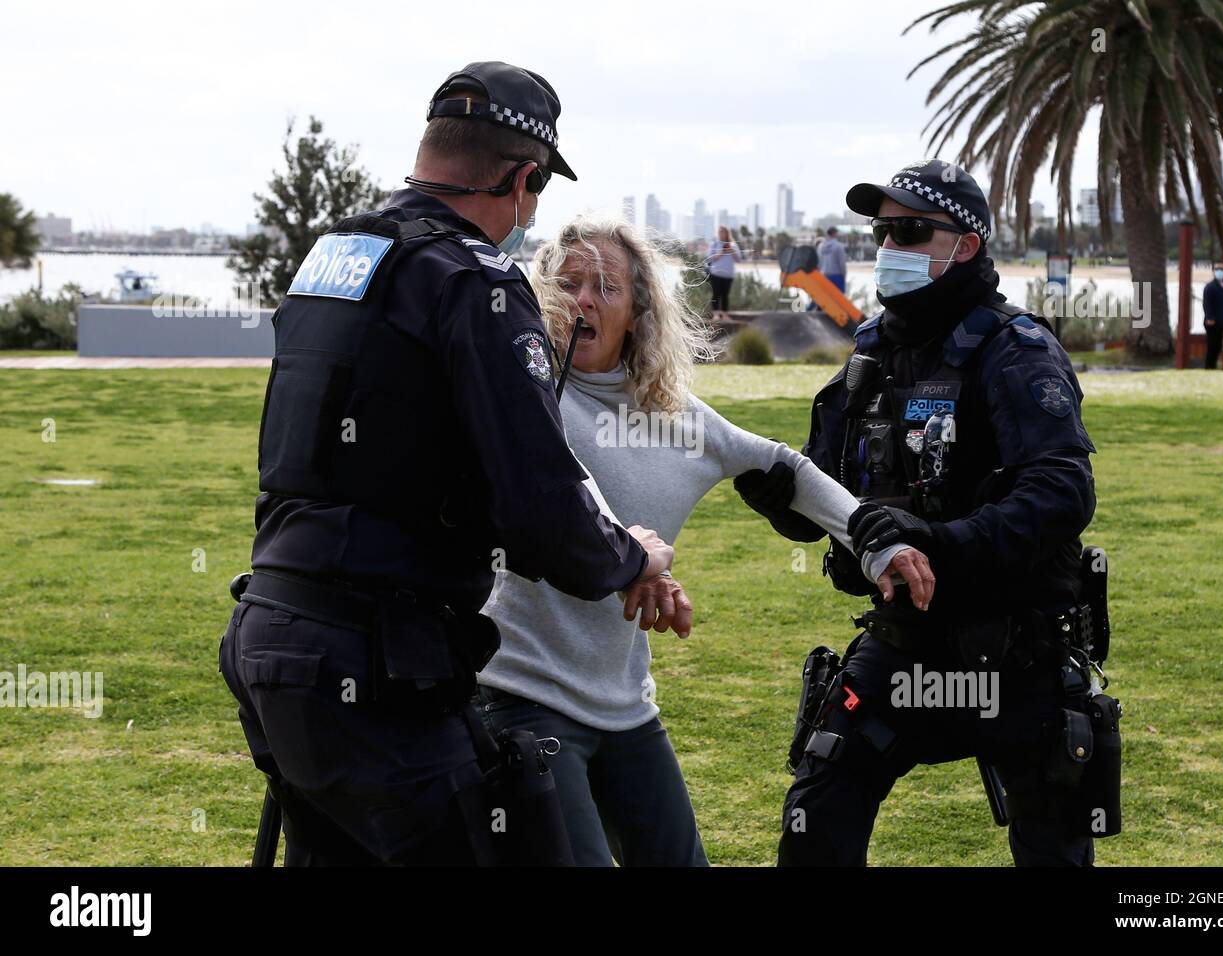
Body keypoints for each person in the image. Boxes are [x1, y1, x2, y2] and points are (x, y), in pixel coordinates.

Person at [218, 62, 681, 866]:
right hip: (379, 665)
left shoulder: (334, 257)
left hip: (274, 640)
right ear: (521, 176)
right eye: (535, 194)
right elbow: (539, 501)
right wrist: (631, 554)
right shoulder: (480, 284)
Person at [474, 215, 879, 866]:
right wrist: (637, 562)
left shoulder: (676, 415)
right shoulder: (522, 396)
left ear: (636, 311)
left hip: (625, 704)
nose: (582, 299)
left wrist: (878, 543)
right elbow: (565, 480)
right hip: (520, 696)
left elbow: (784, 467)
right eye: (567, 283)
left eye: (605, 286)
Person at [735, 160, 1107, 867]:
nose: (888, 247)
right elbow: (825, 492)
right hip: (903, 646)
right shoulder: (874, 354)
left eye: (908, 231)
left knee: (1054, 843)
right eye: (882, 231)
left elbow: (1063, 492)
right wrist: (776, 500)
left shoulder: (1015, 351)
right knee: (817, 814)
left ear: (964, 245)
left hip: (1015, 653)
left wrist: (937, 540)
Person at [705, 225, 743, 317]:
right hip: (716, 274)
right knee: (716, 294)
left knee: (725, 295)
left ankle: (725, 315)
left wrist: (732, 251)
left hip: (728, 275)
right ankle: (716, 315)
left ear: (727, 233)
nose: (721, 234)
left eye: (723, 232)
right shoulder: (714, 244)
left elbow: (739, 260)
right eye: (720, 232)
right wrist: (721, 252)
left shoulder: (733, 245)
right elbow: (709, 259)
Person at [1202, 261, 1223, 369]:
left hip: (1222, 321)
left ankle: (1213, 365)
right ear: (1213, 271)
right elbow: (1207, 304)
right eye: (1217, 269)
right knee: (1212, 346)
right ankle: (1209, 366)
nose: (1220, 271)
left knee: (1218, 345)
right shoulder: (1210, 287)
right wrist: (1209, 317)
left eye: (1222, 269)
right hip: (1212, 322)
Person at [818, 226, 848, 293]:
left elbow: (819, 262)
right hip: (837, 276)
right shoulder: (838, 246)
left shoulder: (821, 246)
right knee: (839, 300)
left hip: (824, 275)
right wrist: (844, 275)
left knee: (825, 298)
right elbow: (842, 263)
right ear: (835, 233)